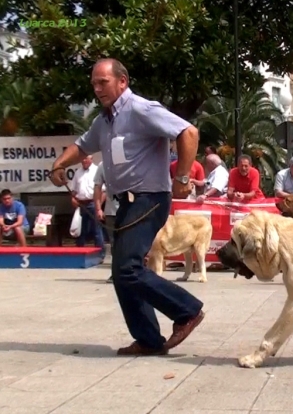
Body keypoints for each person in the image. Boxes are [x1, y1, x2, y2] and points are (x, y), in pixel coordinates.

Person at [50, 58, 205, 356]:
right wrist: (59, 164)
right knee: (122, 274)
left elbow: (189, 133)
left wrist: (183, 176)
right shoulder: (103, 120)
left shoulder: (141, 109)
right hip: (126, 203)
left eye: (103, 82)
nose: (97, 89)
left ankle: (187, 311)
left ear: (122, 81)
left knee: (128, 269)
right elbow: (82, 146)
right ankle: (148, 339)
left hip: (149, 199)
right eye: (94, 83)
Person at [71, 156, 104, 258]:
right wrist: (72, 198)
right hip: (81, 204)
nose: (84, 160)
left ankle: (100, 255)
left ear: (91, 159)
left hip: (93, 203)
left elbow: (103, 191)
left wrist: (99, 206)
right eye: (82, 159)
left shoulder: (97, 170)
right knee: (81, 230)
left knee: (97, 230)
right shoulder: (78, 172)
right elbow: (74, 190)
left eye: (86, 158)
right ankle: (79, 254)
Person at [94, 161, 120, 282]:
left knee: (131, 241)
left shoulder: (129, 159)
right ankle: (116, 273)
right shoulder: (103, 165)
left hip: (131, 209)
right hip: (111, 212)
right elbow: (97, 187)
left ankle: (136, 271)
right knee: (114, 244)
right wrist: (99, 208)